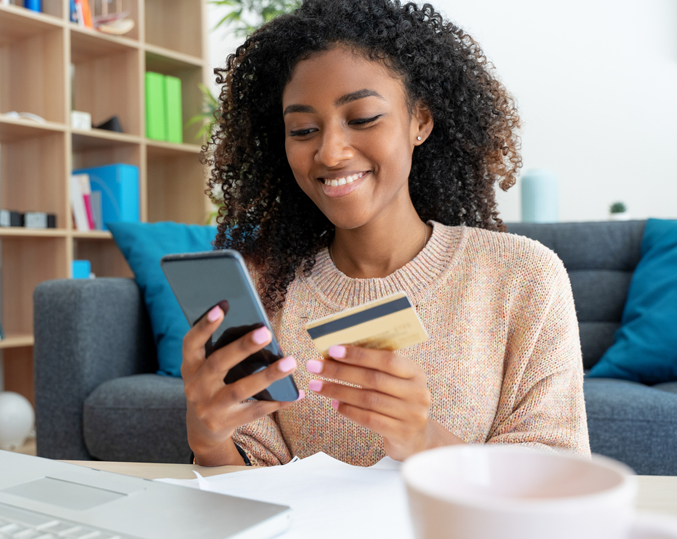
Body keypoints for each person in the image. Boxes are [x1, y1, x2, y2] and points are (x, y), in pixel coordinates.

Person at [181, 0, 589, 467]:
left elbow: (558, 472)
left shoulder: (524, 275)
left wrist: (425, 441)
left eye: (362, 119)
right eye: (303, 129)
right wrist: (210, 441)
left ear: (420, 121)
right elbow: (252, 485)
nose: (330, 152)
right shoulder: (264, 285)